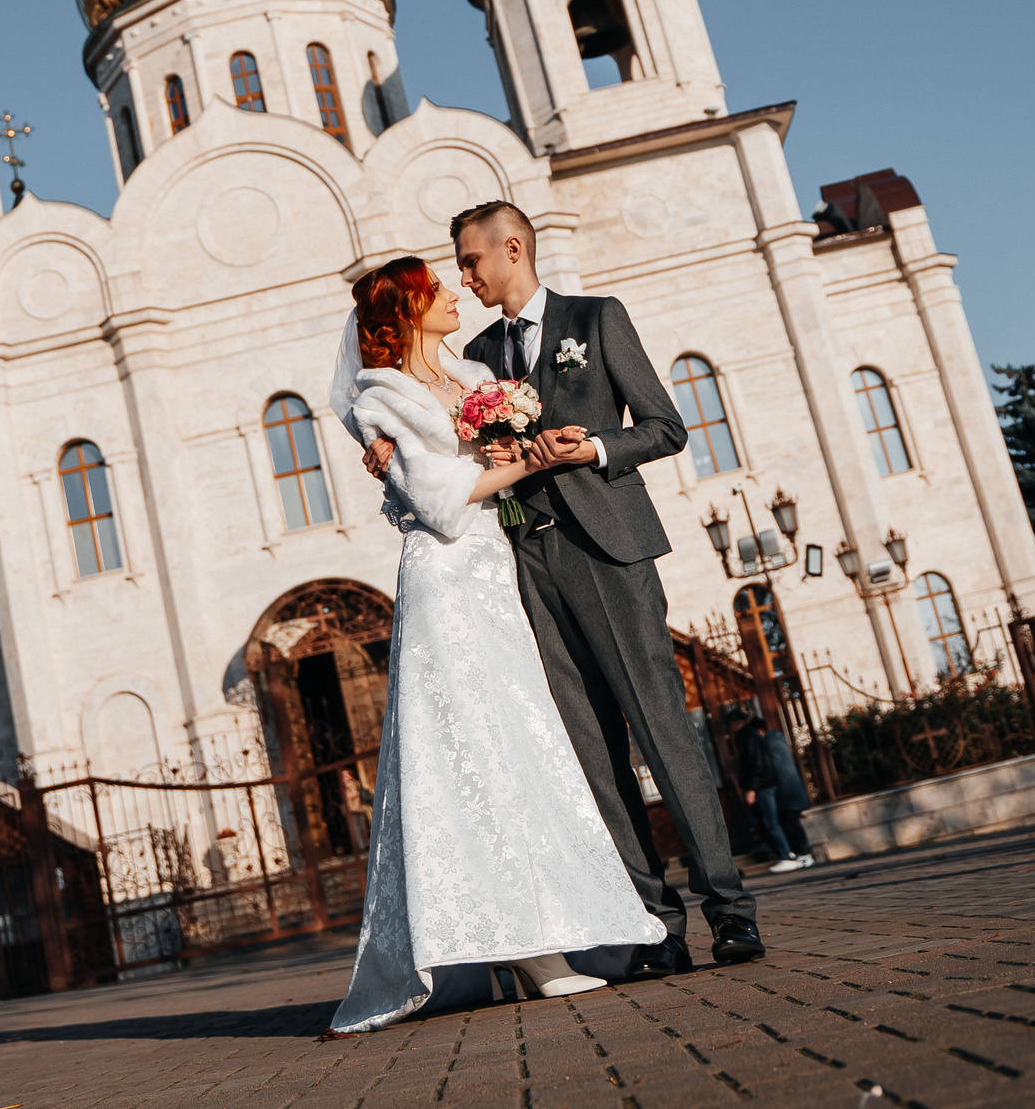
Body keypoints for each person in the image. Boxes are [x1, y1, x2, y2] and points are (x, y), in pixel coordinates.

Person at [364, 202, 760, 976]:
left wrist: (596, 447)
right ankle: (654, 927)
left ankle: (731, 911)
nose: (465, 277)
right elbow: (436, 426)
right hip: (521, 570)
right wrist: (383, 443)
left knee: (660, 733)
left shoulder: (596, 318)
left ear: (513, 249)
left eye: (472, 262)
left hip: (607, 552)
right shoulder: (472, 358)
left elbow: (665, 426)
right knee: (591, 753)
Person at [322, 256, 664, 1036]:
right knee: (476, 751)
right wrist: (517, 462)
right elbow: (438, 500)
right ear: (406, 311)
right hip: (447, 579)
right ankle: (529, 950)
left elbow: (485, 462)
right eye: (434, 290)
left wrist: (543, 444)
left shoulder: (470, 372)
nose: (452, 294)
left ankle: (532, 931)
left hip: (492, 570)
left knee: (522, 745)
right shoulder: (383, 396)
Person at [725, 705, 809, 874]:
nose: (732, 726)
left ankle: (786, 855)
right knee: (765, 822)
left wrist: (751, 788)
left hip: (761, 786)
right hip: (763, 785)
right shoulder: (749, 736)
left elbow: (756, 763)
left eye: (734, 722)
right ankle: (788, 853)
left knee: (769, 822)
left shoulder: (747, 736)